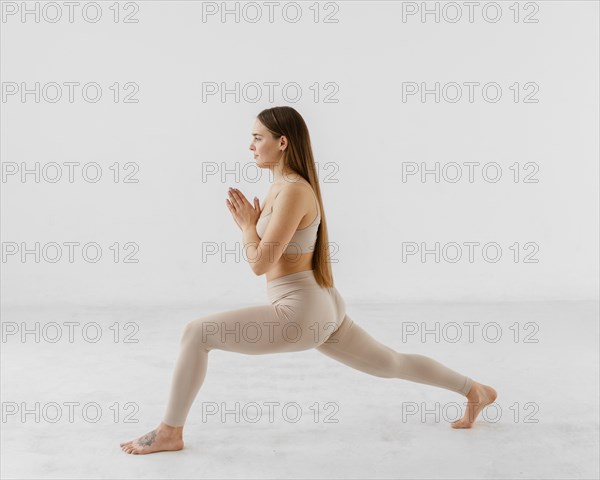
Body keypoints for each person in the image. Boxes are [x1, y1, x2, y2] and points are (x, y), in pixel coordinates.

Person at [120, 106, 497, 455]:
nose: (250, 145)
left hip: (300, 311)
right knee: (390, 363)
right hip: (322, 304)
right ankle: (474, 389)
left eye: (257, 137)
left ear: (282, 142)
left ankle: (170, 431)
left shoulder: (294, 191)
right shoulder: (282, 188)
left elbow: (259, 263)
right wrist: (252, 225)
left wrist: (248, 227)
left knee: (196, 333)